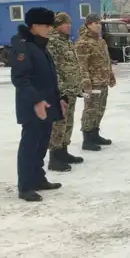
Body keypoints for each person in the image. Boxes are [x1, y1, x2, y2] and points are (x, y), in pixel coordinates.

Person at [11, 7, 64, 202]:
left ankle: (38, 178)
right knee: (30, 145)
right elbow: (20, 78)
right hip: (33, 106)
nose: (50, 28)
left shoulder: (40, 45)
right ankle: (25, 186)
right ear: (34, 26)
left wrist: (58, 100)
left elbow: (48, 77)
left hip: (46, 104)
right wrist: (36, 101)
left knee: (42, 144)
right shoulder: (23, 46)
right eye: (46, 25)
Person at [46, 12, 85, 171]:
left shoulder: (67, 42)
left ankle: (63, 151)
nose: (69, 25)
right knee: (59, 124)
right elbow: (53, 69)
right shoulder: (53, 43)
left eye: (69, 23)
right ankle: (54, 156)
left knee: (68, 122)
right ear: (57, 25)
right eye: (65, 23)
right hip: (61, 92)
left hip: (72, 90)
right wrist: (60, 89)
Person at [76, 14, 116, 151]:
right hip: (92, 84)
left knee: (99, 109)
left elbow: (106, 60)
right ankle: (87, 139)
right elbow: (82, 64)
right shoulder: (83, 42)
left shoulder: (101, 41)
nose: (98, 25)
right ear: (87, 24)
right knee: (90, 109)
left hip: (102, 81)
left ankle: (94, 134)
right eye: (94, 23)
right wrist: (85, 82)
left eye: (99, 23)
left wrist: (110, 75)